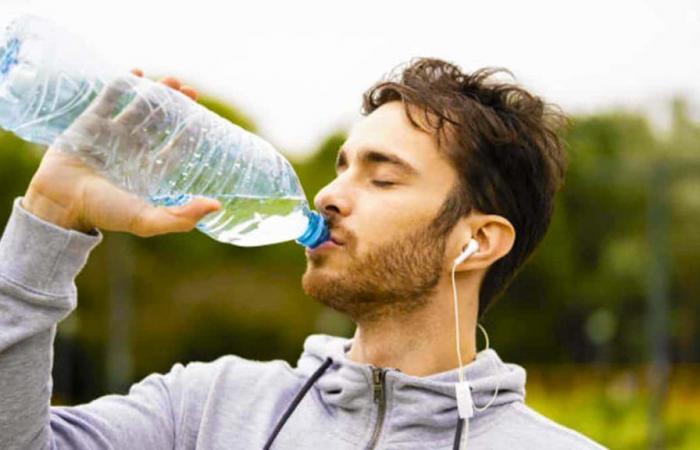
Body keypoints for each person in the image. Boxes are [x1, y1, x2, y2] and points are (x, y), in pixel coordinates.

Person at [0, 58, 605, 449]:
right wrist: (50, 217)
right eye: (342, 167)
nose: (330, 194)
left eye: (382, 177)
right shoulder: (206, 410)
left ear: (476, 241)